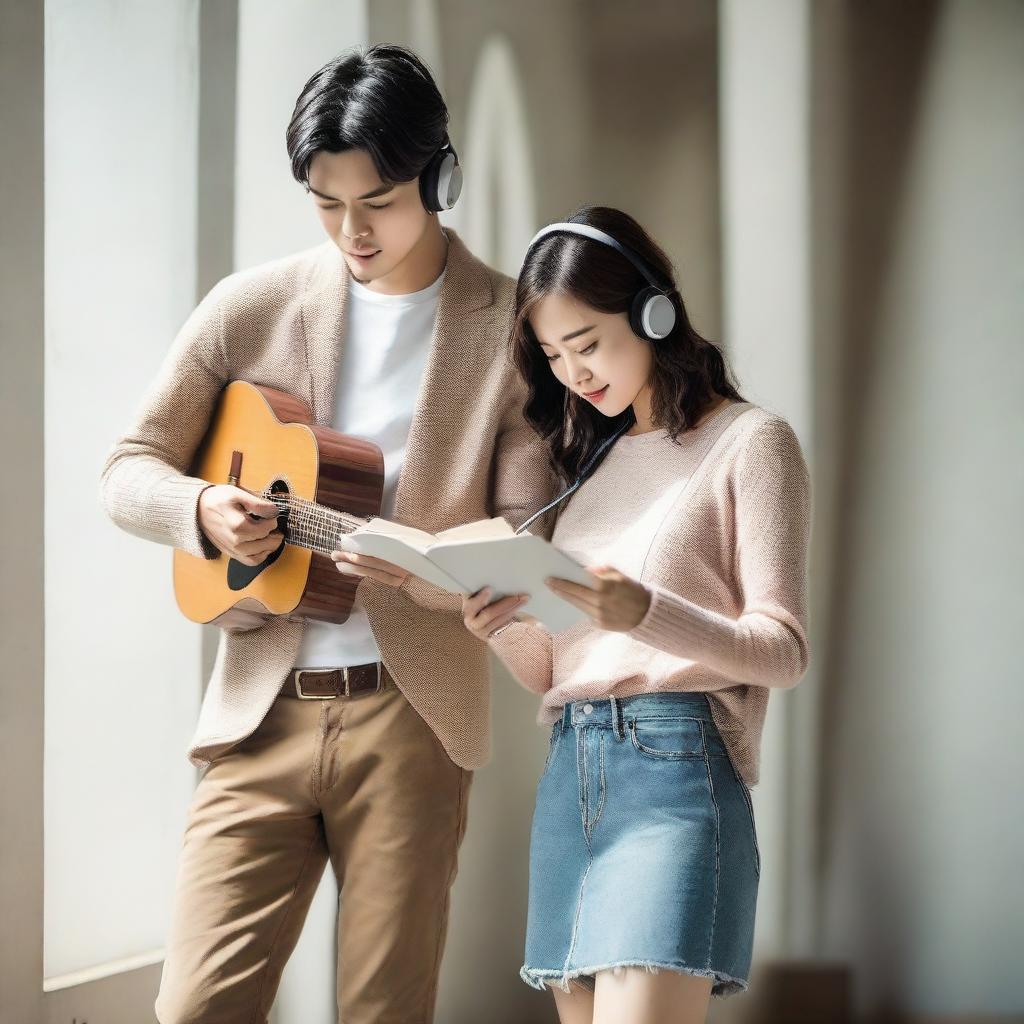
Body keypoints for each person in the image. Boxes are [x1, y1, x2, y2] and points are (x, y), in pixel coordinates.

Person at [100, 44, 555, 1024]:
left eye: (379, 200)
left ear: (438, 176)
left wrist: (417, 565)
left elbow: (522, 525)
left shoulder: (512, 325)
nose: (352, 229)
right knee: (193, 1009)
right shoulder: (249, 304)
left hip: (411, 718)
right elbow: (126, 470)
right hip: (258, 714)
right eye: (324, 200)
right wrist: (201, 511)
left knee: (384, 1011)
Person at [462, 206, 811, 1024]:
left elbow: (785, 650)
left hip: (675, 775)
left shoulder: (753, 444)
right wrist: (502, 627)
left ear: (654, 311)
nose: (574, 373)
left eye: (586, 344)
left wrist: (643, 611)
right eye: (554, 355)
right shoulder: (591, 463)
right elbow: (556, 667)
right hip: (571, 771)